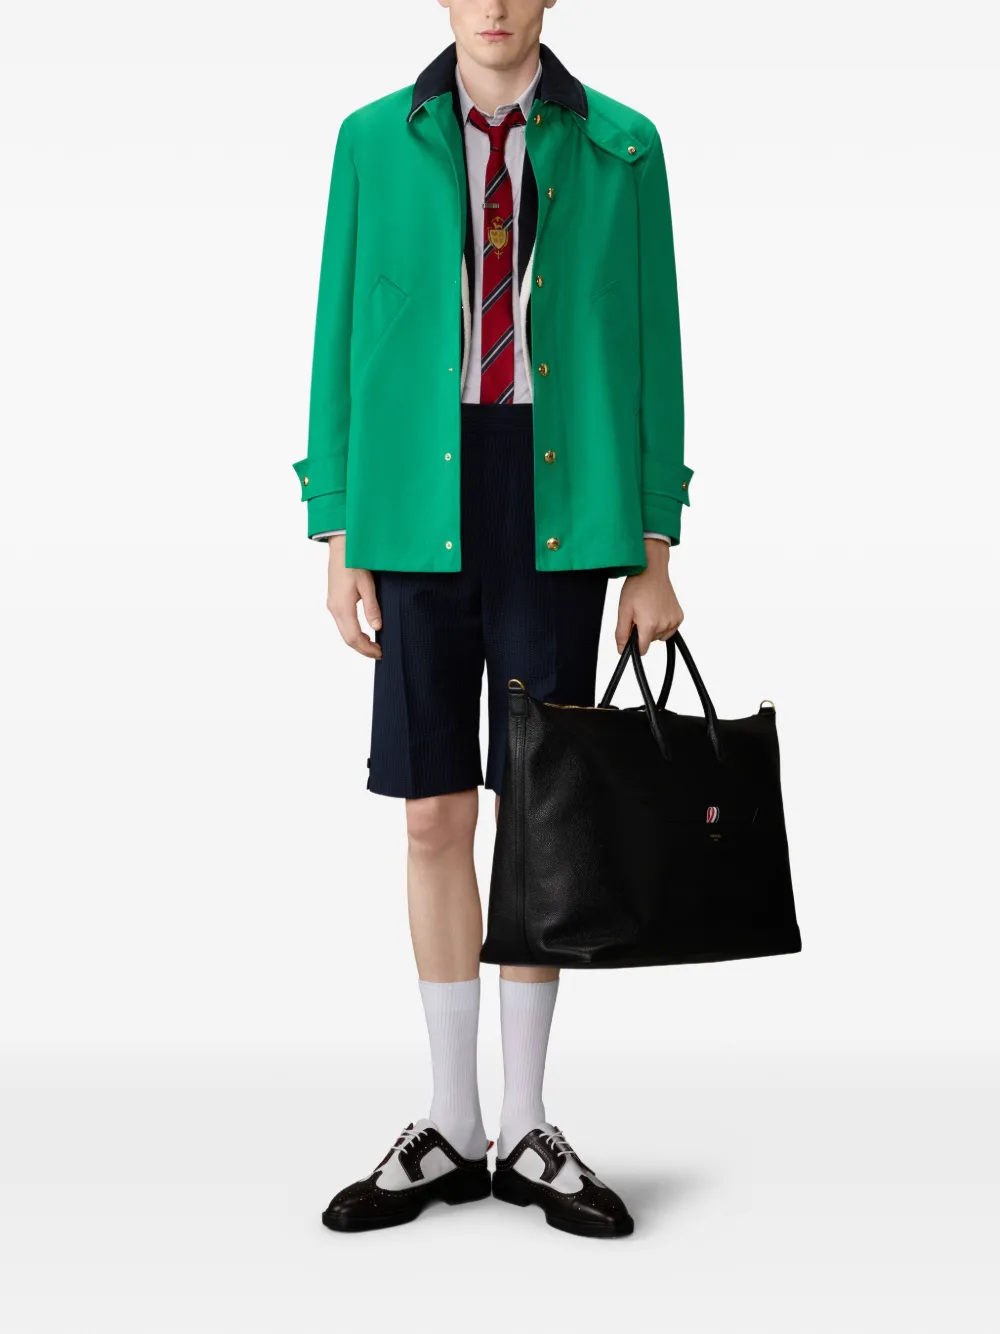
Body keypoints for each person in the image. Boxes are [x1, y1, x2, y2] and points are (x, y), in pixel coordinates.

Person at [293, 0, 693, 1238]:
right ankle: (450, 1120)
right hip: (416, 495)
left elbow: (654, 346)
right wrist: (338, 525)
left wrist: (655, 547)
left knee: (541, 813)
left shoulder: (621, 144)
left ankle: (524, 1121)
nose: (498, 5)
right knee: (431, 811)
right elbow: (339, 330)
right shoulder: (373, 139)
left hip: (563, 494)